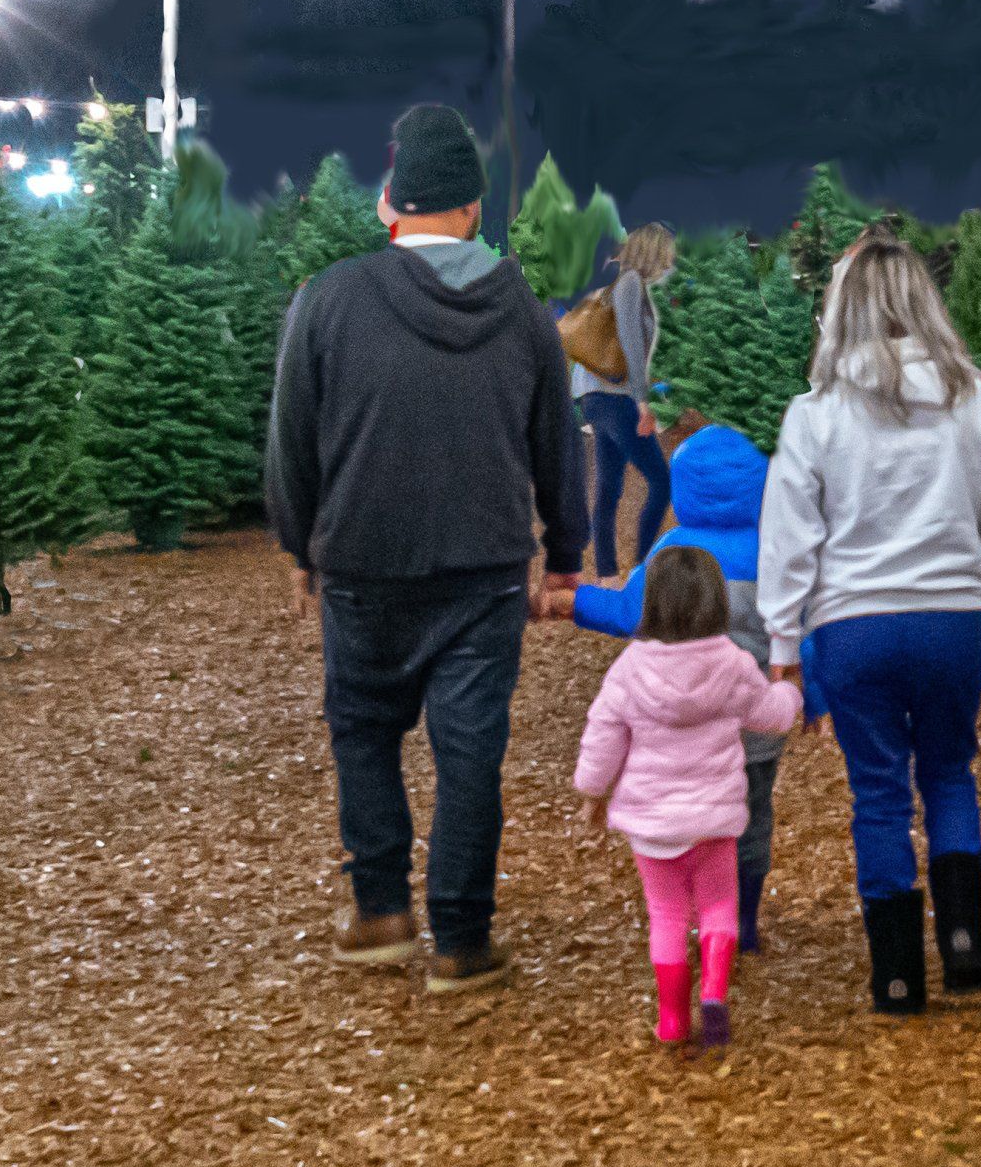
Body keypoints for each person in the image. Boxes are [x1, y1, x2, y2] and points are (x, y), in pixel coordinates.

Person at [267, 104, 589, 994]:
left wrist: (301, 546)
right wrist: (566, 553)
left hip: (363, 565)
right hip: (482, 571)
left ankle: (379, 912)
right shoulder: (520, 309)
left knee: (364, 734)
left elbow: (292, 438)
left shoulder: (329, 298)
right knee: (469, 751)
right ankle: (460, 939)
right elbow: (557, 442)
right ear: (473, 212)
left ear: (388, 206)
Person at [758, 235, 981, 1015]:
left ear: (842, 306)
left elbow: (790, 537)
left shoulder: (816, 414)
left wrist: (783, 648)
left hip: (857, 626)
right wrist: (976, 580)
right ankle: (966, 946)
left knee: (878, 793)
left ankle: (898, 975)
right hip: (953, 621)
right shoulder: (971, 396)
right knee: (948, 771)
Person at [543, 424, 784, 953]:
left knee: (687, 813)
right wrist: (817, 697)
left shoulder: (673, 550)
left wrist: (574, 604)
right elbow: (803, 633)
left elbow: (631, 613)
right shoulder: (775, 553)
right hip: (755, 719)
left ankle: (691, 910)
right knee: (751, 818)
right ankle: (739, 918)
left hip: (683, 732)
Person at [571, 546, 802, 1047]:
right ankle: (715, 992)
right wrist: (791, 693)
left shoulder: (630, 669)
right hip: (715, 817)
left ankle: (673, 1018)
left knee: (667, 916)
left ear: (651, 603)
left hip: (653, 825)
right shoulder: (732, 663)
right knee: (720, 905)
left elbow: (603, 731)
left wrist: (592, 792)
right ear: (717, 603)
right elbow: (769, 713)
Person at [573, 225, 677, 585]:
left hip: (594, 397)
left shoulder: (618, 281)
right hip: (616, 400)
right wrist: (643, 402)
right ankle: (641, 569)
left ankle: (606, 574)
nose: (670, 259)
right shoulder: (631, 283)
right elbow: (632, 347)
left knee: (609, 487)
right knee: (662, 482)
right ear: (653, 250)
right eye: (666, 251)